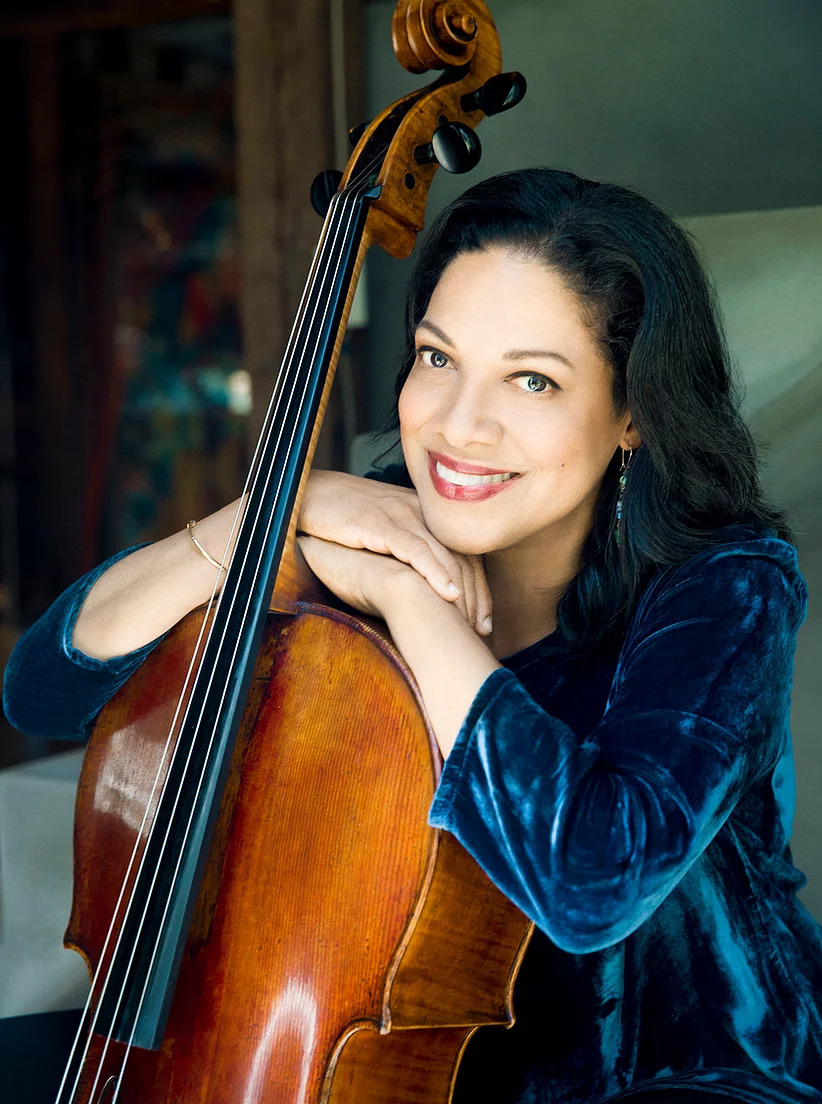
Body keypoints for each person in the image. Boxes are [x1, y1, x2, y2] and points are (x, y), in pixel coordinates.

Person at [4, 168, 822, 1104]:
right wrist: (269, 513)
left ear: (635, 412)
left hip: (687, 1073)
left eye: (532, 379)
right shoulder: (359, 517)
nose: (460, 427)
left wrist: (410, 603)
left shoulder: (726, 587)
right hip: (382, 1056)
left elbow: (592, 877)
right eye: (438, 358)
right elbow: (44, 690)